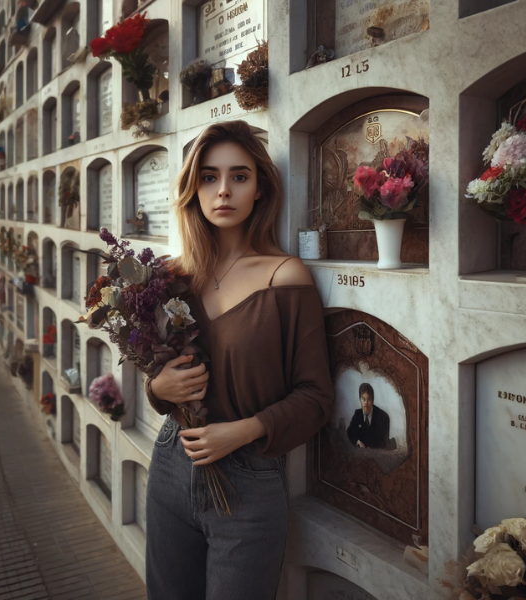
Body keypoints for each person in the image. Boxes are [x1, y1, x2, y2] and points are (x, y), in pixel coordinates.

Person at [143, 120, 334, 600]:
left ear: (260, 188)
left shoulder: (283, 276)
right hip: (171, 464)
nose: (223, 190)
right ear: (192, 189)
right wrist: (156, 390)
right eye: (208, 177)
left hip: (248, 481)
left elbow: (315, 397)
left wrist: (245, 430)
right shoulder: (171, 277)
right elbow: (156, 374)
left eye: (239, 176)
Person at [346, 383, 394, 450]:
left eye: (369, 399)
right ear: (360, 400)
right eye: (363, 399)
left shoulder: (383, 417)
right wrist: (357, 441)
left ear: (373, 400)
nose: (366, 403)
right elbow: (350, 433)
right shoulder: (357, 414)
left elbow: (381, 442)